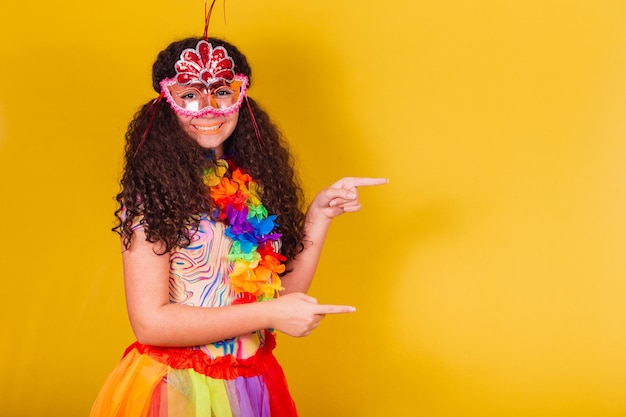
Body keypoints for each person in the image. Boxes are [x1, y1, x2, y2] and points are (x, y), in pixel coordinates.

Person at [89, 36, 387, 417]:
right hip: (180, 388)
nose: (210, 108)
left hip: (250, 381)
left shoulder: (247, 188)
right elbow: (150, 323)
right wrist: (268, 317)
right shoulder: (154, 197)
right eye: (191, 94)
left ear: (241, 98)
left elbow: (276, 297)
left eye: (223, 91)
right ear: (166, 104)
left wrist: (319, 215)